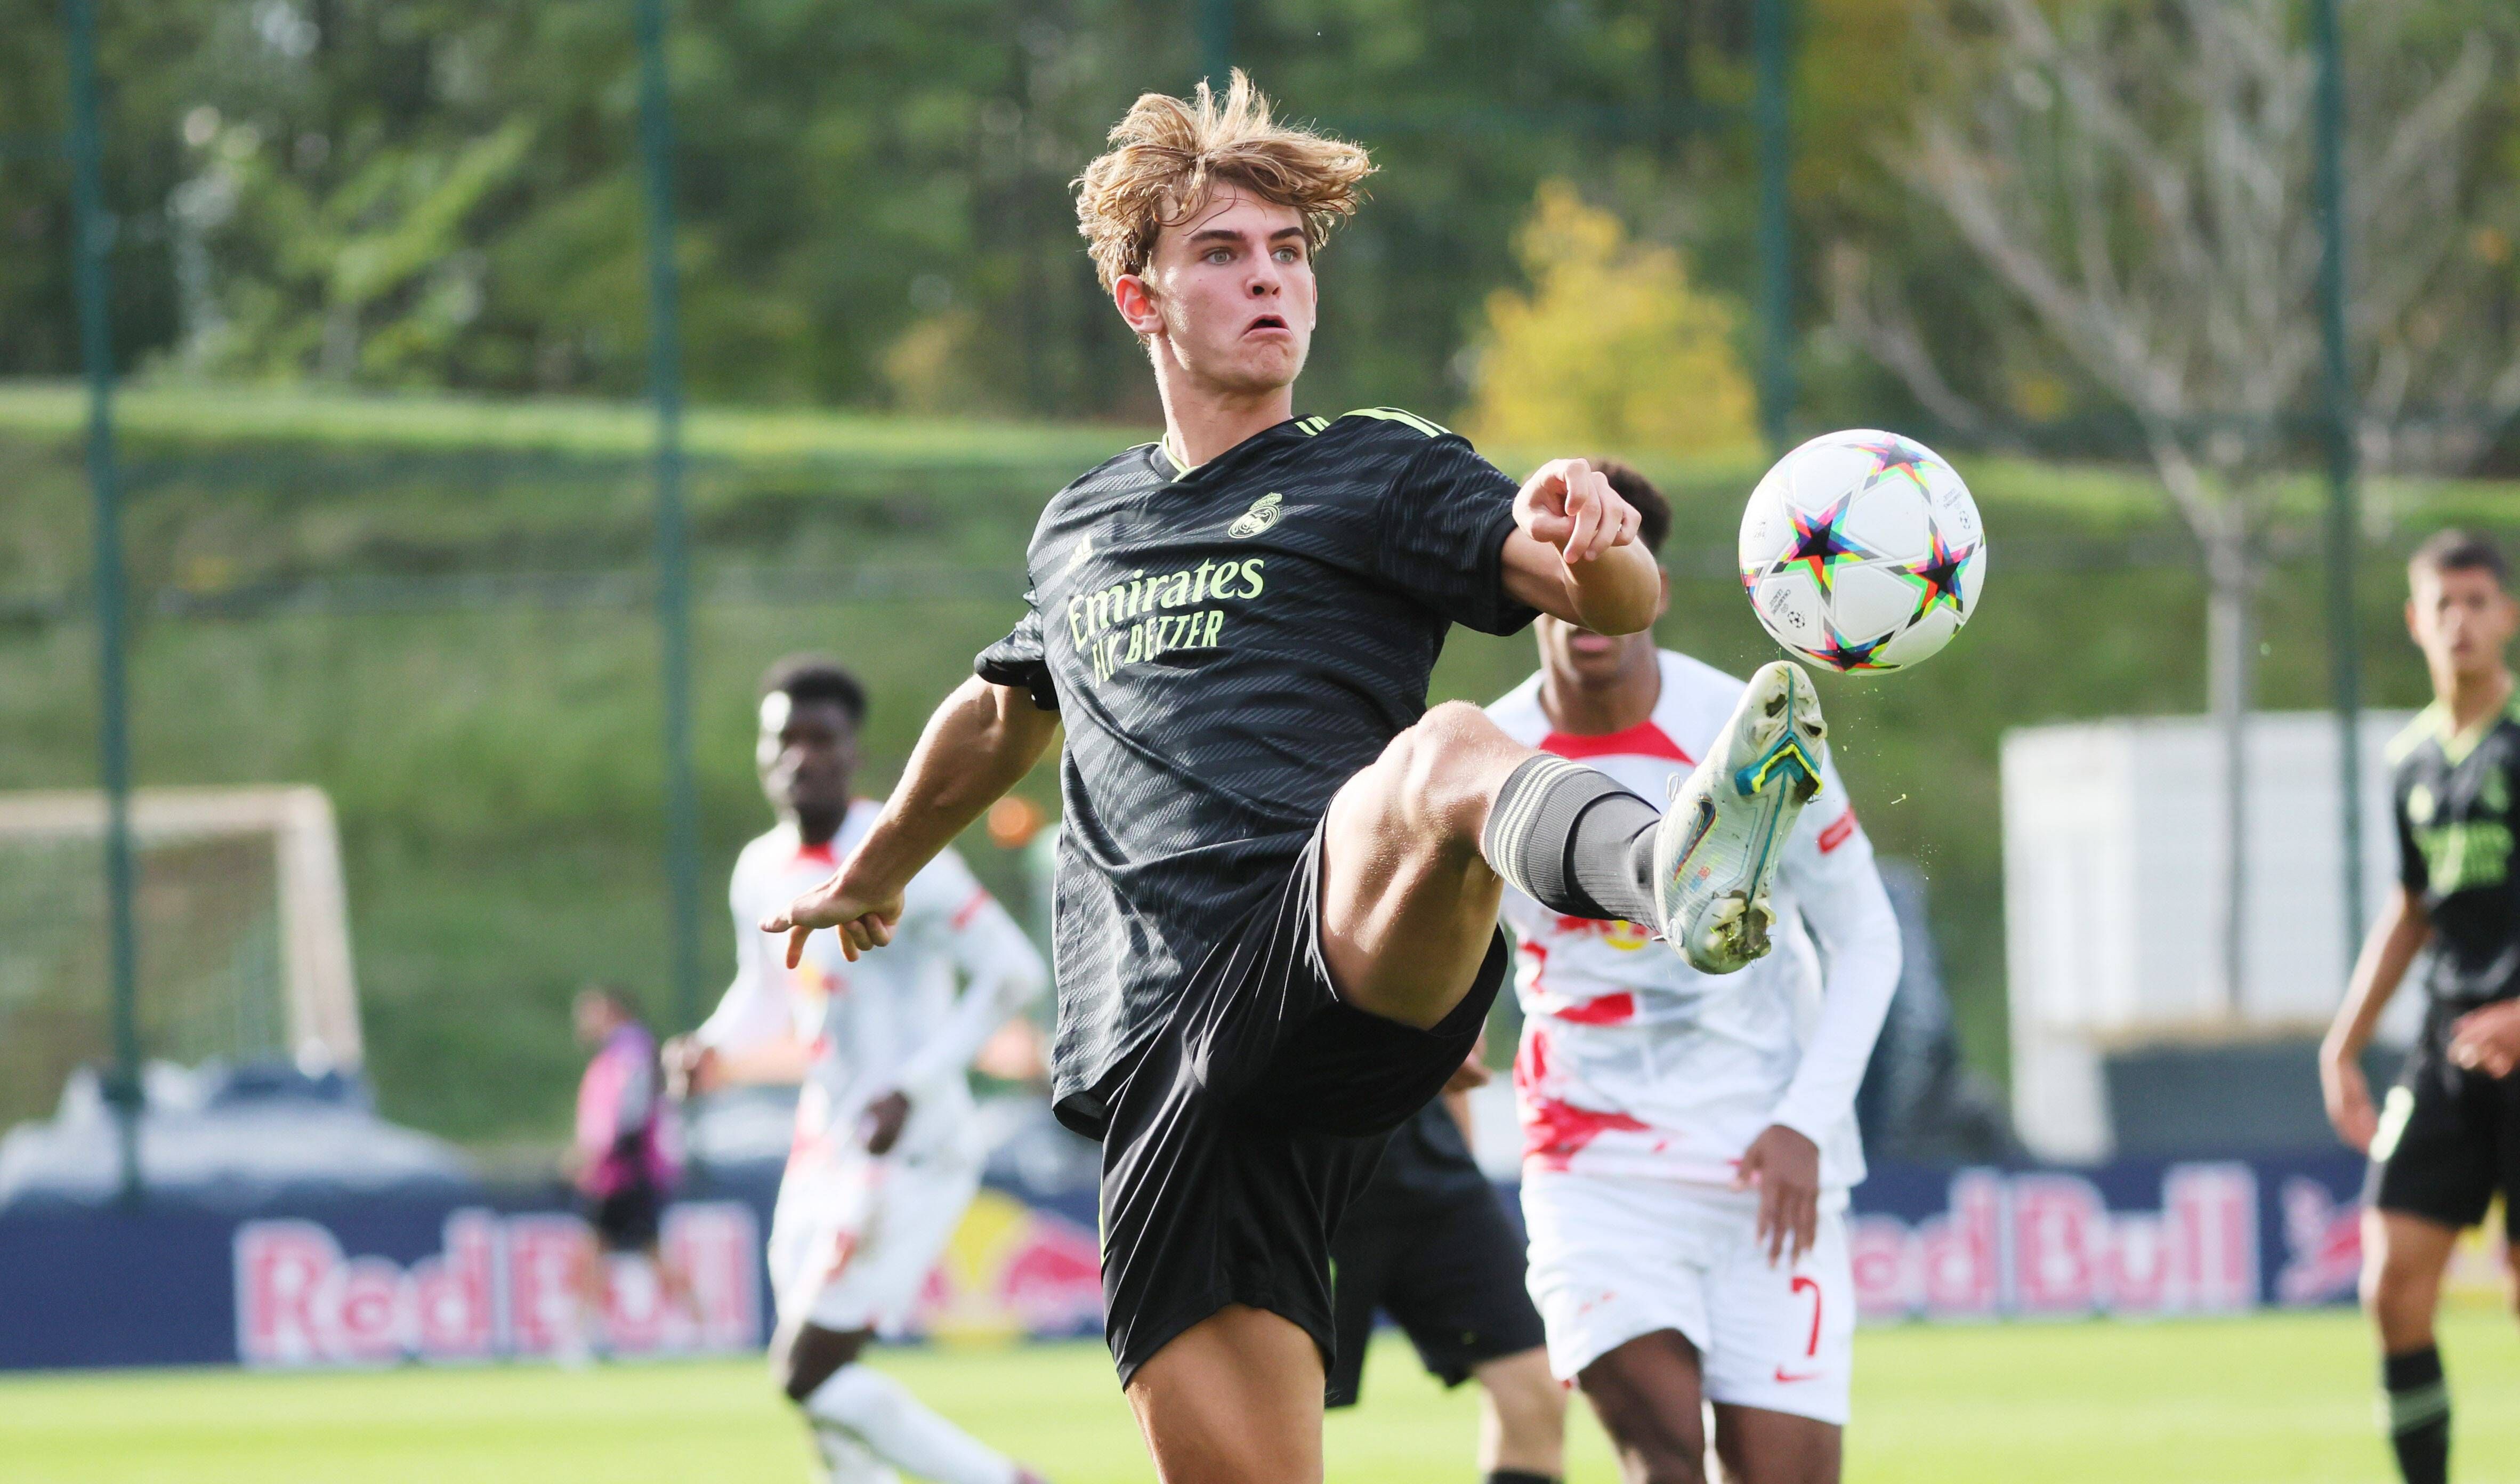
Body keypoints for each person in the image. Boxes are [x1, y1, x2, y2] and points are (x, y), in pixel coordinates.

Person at [761, 74, 1832, 1483]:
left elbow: (1607, 592)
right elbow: (1002, 709)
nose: (1269, 281)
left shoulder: (1377, 470)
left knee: (1442, 757)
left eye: (1288, 255)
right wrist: (879, 868)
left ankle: (1670, 869)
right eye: (1224, 254)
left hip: (1338, 946)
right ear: (1142, 301)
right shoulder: (1079, 527)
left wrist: (1603, 538)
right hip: (1161, 1068)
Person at [1486, 461, 1902, 1484]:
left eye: (1613, 566)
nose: (1588, 594)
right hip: (1594, 1169)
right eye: (1563, 570)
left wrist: (1807, 1118)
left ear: (1654, 591)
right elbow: (1457, 947)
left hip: (1767, 1164)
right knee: (1664, 1455)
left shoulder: (1753, 732)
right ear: (1534, 594)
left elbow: (1867, 936)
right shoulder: (1489, 755)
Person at [670, 656, 1052, 1484]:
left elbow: (1011, 972)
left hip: (909, 1147)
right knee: (816, 1384)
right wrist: (711, 1048)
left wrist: (913, 1086)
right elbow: (767, 991)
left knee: (807, 1370)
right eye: (785, 740)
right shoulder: (759, 870)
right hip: (824, 1142)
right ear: (763, 754)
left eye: (822, 740)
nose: (801, 757)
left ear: (854, 753)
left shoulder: (899, 852)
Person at [2320, 529, 2520, 1484]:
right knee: (2391, 1283)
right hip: (2446, 1049)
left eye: (2477, 600)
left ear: (2508, 614)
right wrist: (2341, 1043)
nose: (2460, 621)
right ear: (2414, 621)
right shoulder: (2409, 760)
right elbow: (2409, 908)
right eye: (2441, 605)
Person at [1323, 1042, 1564, 1484]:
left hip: (1429, 1157)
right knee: (1270, 1416)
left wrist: (1461, 1155)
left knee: (1535, 1389)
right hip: (1296, 1158)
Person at [569, 983, 690, 1354]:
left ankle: (585, 1340)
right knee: (638, 1254)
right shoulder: (623, 1051)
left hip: (623, 1172)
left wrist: (600, 1155)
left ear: (611, 1010)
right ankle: (702, 1326)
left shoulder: (631, 1049)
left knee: (594, 1255)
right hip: (621, 1170)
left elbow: (629, 1114)